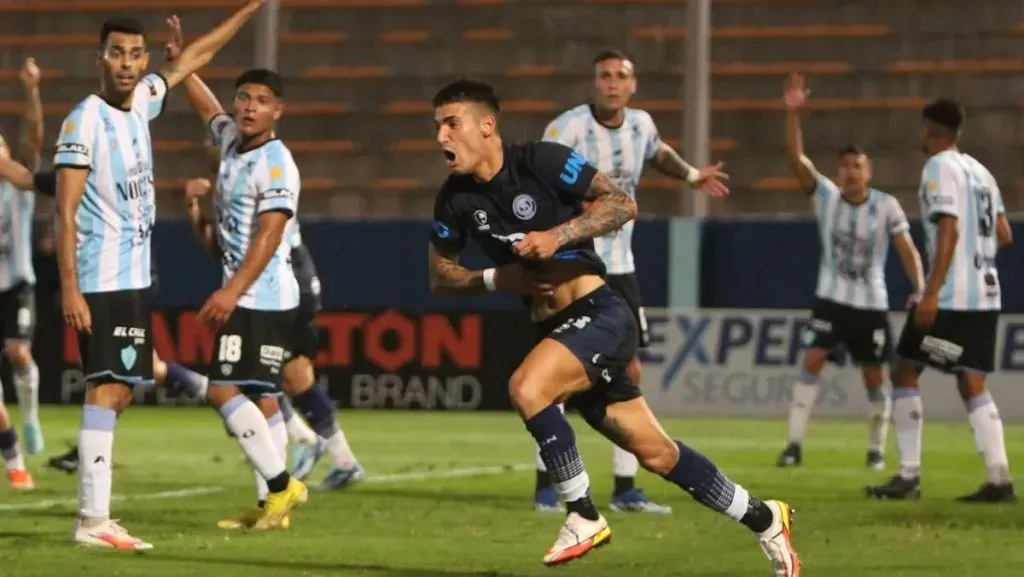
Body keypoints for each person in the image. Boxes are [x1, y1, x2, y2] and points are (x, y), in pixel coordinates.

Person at [427, 78, 799, 574]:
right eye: (436, 127)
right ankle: (764, 519)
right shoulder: (452, 200)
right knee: (658, 455)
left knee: (526, 387)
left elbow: (622, 203)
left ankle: (582, 513)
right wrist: (497, 277)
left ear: (487, 125)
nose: (441, 138)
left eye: (451, 124)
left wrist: (555, 235)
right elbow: (441, 277)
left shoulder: (542, 160)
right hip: (557, 332)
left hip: (601, 312)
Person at [54, 4, 266, 550]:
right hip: (102, 277)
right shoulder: (83, 120)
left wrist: (248, 11)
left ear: (143, 59)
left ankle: (95, 517)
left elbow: (199, 53)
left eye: (134, 55)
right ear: (98, 58)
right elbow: (64, 211)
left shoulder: (144, 101)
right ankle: (92, 520)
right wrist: (71, 287)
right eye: (116, 54)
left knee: (119, 387)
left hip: (130, 276)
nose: (126, 65)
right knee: (109, 387)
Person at [535, 49, 728, 514]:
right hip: (573, 267)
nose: (613, 84)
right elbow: (539, 186)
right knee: (553, 375)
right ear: (594, 82)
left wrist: (691, 176)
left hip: (619, 268)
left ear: (633, 84)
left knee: (631, 370)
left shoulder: (641, 124)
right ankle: (548, 484)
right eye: (604, 76)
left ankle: (626, 488)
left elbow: (657, 153)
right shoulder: (568, 129)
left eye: (621, 76)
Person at [185, 137, 363, 490]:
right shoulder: (228, 192)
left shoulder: (257, 176)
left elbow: (267, 239)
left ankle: (305, 450)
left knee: (263, 381)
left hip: (287, 283)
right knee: (287, 379)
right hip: (268, 289)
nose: (213, 157)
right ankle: (335, 457)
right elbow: (215, 248)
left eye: (215, 150)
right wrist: (192, 206)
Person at [866, 98, 1015, 503]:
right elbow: (1004, 234)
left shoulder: (938, 167)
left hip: (951, 296)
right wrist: (976, 260)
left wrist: (931, 291)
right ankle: (999, 479)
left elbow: (947, 227)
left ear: (929, 128)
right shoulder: (981, 172)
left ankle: (909, 476)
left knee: (905, 370)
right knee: (972, 381)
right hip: (986, 294)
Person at [776, 73, 925, 470]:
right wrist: (793, 115)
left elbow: (906, 249)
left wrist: (921, 287)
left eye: (856, 166)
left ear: (868, 172)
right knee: (811, 361)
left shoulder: (887, 206)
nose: (849, 172)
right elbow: (797, 160)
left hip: (870, 304)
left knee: (875, 378)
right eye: (844, 166)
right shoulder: (825, 197)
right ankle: (793, 445)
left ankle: (876, 448)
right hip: (831, 300)